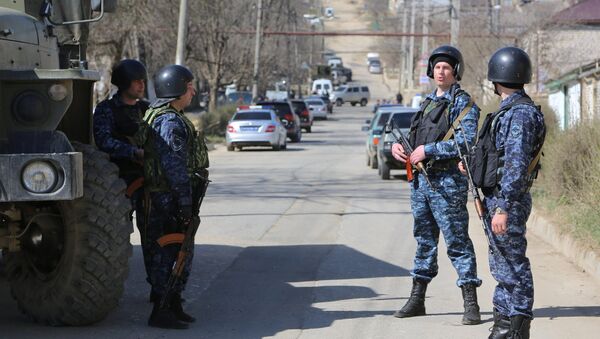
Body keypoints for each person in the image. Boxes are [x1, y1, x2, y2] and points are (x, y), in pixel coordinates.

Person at [391, 45, 482, 325]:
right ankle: (418, 299)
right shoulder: (427, 103)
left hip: (448, 186)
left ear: (456, 72)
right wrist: (399, 148)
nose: (441, 72)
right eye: (437, 67)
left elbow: (464, 143)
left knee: (457, 242)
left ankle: (471, 303)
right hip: (420, 184)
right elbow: (414, 137)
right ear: (431, 71)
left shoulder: (464, 104)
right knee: (424, 242)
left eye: (446, 67)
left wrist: (428, 150)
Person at [466, 47, 545, 339]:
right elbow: (499, 159)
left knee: (513, 264)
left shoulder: (520, 115)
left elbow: (516, 164)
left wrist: (503, 207)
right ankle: (502, 326)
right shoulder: (510, 110)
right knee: (501, 265)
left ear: (496, 78)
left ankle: (518, 328)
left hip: (506, 201)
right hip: (499, 197)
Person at [141, 64, 209, 329]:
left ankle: (174, 303)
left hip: (170, 195)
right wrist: (184, 204)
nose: (193, 91)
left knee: (179, 251)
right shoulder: (169, 121)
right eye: (189, 86)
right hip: (167, 197)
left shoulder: (170, 116)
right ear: (176, 89)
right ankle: (161, 310)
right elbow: (174, 167)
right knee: (170, 253)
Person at [92, 59, 150, 281]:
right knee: (116, 236)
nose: (141, 86)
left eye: (142, 81)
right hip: (118, 182)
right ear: (124, 83)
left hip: (147, 181)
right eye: (136, 82)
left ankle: (158, 286)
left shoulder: (146, 109)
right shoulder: (107, 110)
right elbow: (103, 140)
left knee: (153, 235)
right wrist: (133, 152)